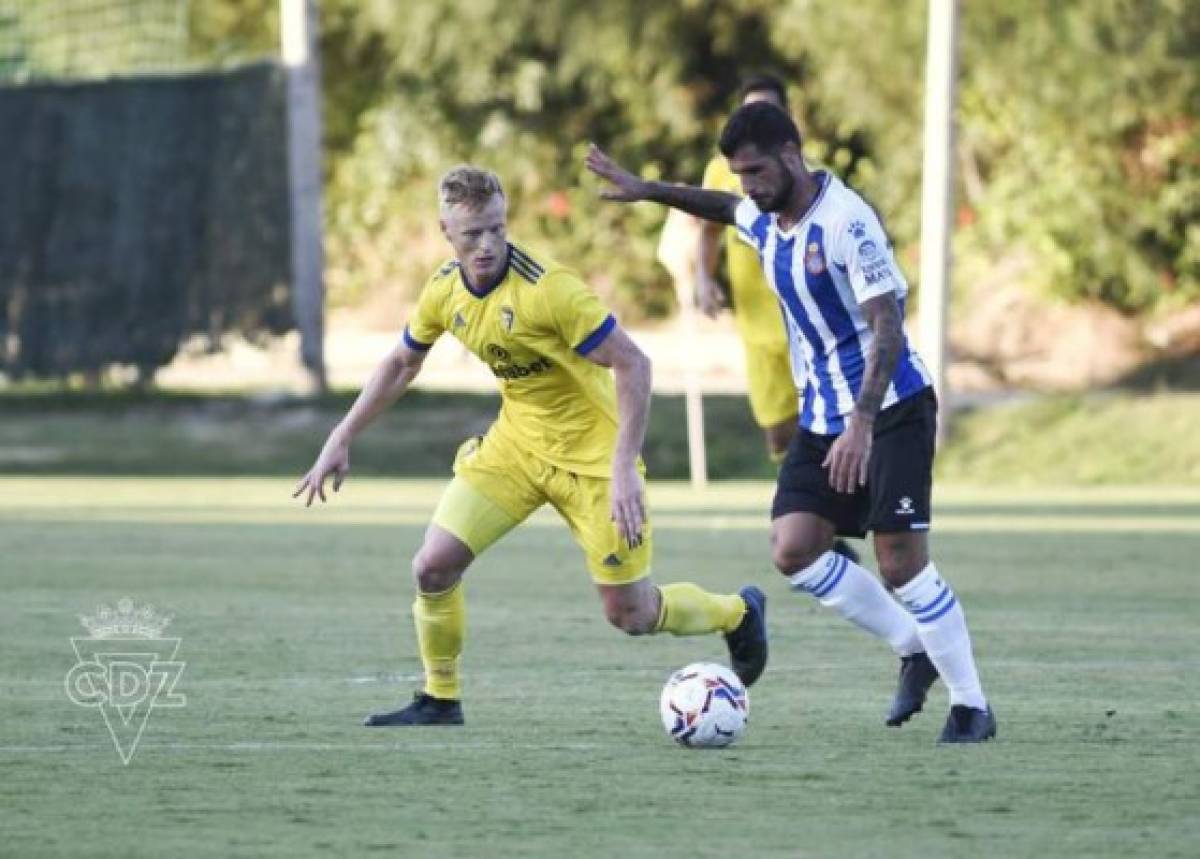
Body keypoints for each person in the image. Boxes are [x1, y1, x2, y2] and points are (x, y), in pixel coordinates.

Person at [293, 166, 768, 727]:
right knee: (432, 567)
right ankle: (440, 699)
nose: (489, 244)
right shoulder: (445, 290)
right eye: (473, 234)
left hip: (595, 462)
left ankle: (737, 612)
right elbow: (402, 362)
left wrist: (622, 468)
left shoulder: (550, 290)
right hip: (516, 449)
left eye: (497, 228)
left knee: (631, 614)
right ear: (447, 231)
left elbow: (634, 363)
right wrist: (341, 436)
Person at [585, 102, 995, 743]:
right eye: (739, 175)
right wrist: (648, 191)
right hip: (822, 414)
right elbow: (719, 208)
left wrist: (861, 420)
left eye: (754, 172)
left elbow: (887, 324)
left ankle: (972, 705)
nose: (746, 188)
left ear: (791, 156)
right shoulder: (763, 215)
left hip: (888, 409)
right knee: (794, 548)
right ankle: (912, 646)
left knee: (900, 564)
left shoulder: (846, 222)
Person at [697, 72, 860, 565]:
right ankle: (807, 512)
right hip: (753, 319)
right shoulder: (724, 172)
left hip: (806, 323)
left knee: (822, 417)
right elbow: (708, 227)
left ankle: (823, 519)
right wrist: (703, 280)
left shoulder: (814, 184)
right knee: (777, 432)